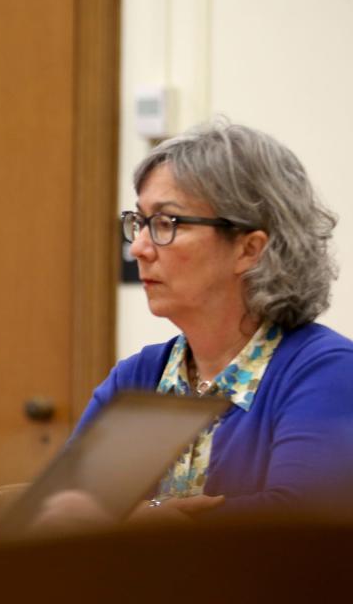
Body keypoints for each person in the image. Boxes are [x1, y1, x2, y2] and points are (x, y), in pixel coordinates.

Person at [75, 121, 353, 520]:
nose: (137, 247)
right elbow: (63, 522)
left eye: (166, 223)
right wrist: (161, 516)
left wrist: (134, 520)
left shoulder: (327, 373)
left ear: (249, 249)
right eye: (139, 222)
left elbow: (300, 531)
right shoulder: (135, 378)